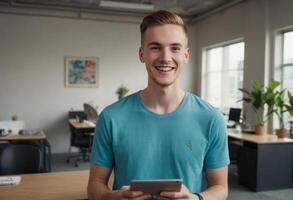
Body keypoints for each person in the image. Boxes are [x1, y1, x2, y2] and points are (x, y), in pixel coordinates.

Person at [88, 10, 229, 200]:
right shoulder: (111, 117)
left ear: (186, 55)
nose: (165, 57)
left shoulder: (211, 118)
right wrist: (113, 198)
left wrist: (196, 199)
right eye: (155, 47)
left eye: (175, 48)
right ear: (141, 54)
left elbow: (220, 188)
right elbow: (95, 187)